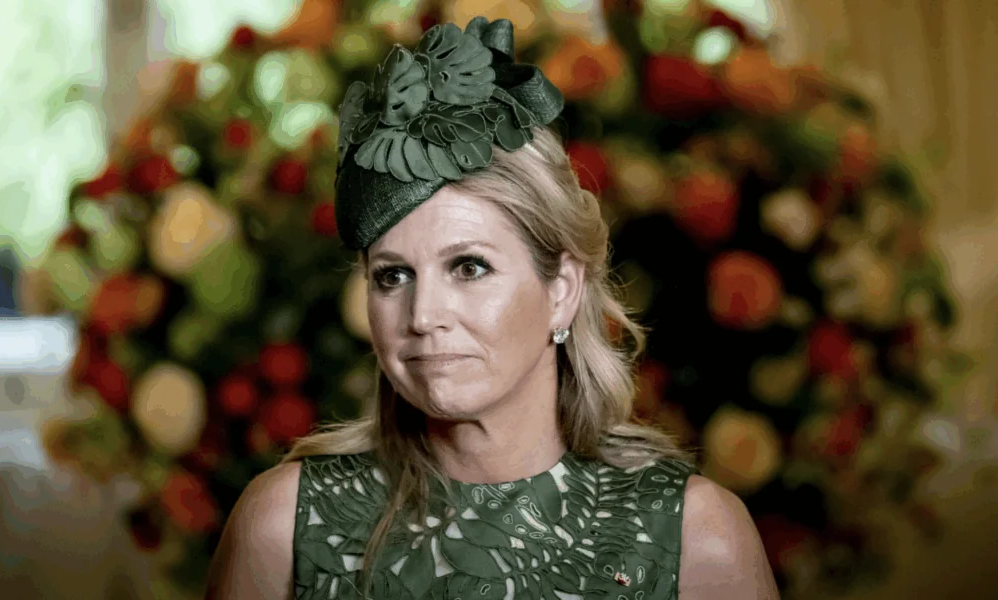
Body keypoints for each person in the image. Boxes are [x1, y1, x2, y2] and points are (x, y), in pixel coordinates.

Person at [206, 16, 779, 600]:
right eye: (393, 276)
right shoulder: (283, 527)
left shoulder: (695, 540)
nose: (422, 315)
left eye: (469, 267)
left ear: (562, 291)